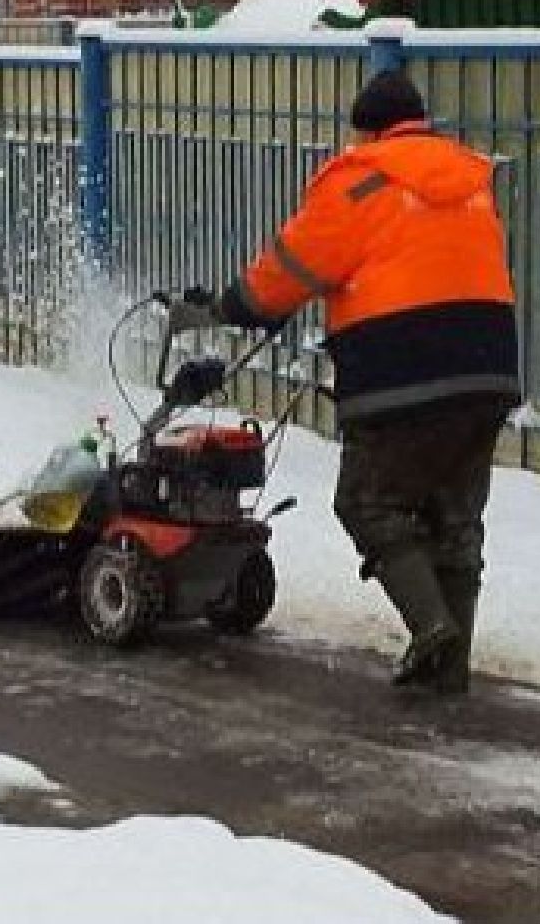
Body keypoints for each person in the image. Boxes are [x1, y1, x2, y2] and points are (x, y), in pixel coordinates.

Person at [170, 69, 520, 693]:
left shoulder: (360, 181)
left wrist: (230, 308)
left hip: (402, 373)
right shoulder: (468, 179)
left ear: (366, 130)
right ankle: (450, 665)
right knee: (455, 517)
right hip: (488, 369)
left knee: (368, 502)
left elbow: (287, 272)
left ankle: (433, 629)